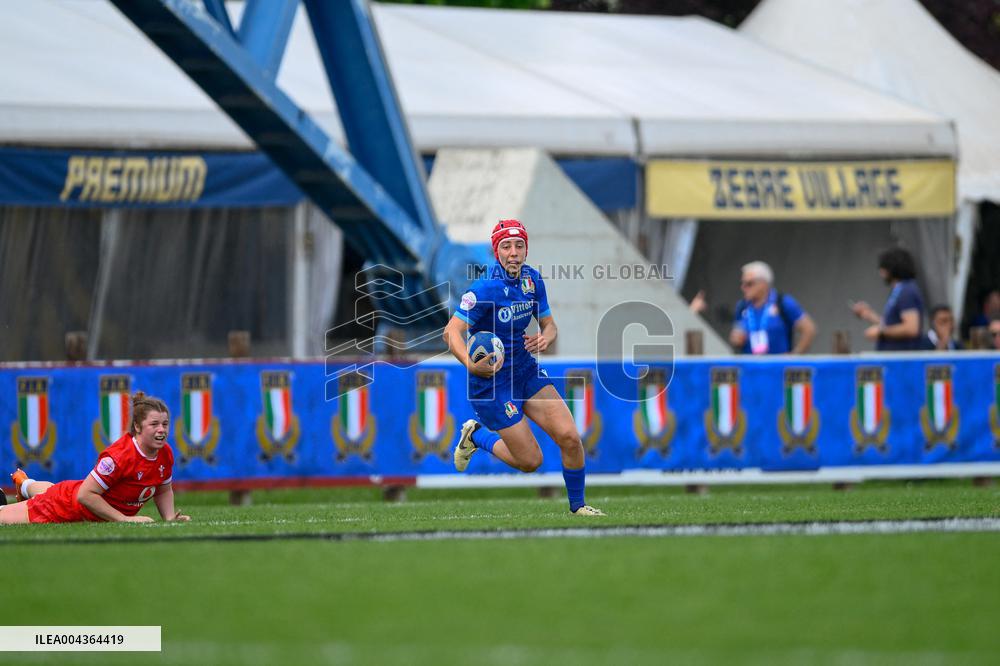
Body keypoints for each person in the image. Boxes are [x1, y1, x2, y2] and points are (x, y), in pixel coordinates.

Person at [443, 219, 604, 516]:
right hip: (491, 383)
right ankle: (477, 436)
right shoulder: (485, 289)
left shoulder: (532, 280)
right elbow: (451, 332)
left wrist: (546, 337)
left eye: (519, 245)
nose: (514, 252)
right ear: (496, 251)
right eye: (506, 246)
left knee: (570, 437)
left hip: (525, 370)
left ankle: (579, 507)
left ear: (526, 249)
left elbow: (550, 325)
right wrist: (470, 364)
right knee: (531, 461)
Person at [1, 392, 189, 525]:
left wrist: (169, 518)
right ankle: (20, 490)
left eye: (165, 424)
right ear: (137, 427)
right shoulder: (119, 456)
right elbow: (85, 496)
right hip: (65, 508)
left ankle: (25, 484)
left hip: (71, 491)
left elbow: (163, 490)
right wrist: (124, 519)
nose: (161, 430)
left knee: (59, 489)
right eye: (154, 424)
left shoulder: (165, 452)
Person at [729, 261, 816, 355]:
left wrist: (794, 356)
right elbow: (737, 333)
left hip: (778, 363)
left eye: (749, 284)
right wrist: (736, 339)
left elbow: (809, 329)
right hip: (750, 363)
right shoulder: (742, 306)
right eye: (742, 283)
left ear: (763, 283)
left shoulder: (782, 302)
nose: (743, 288)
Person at [850, 247, 925, 351]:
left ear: (892, 268)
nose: (880, 272)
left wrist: (881, 332)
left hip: (902, 357)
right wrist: (869, 315)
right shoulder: (899, 290)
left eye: (883, 267)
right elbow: (892, 324)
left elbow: (911, 328)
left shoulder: (907, 291)